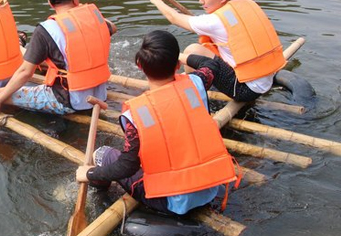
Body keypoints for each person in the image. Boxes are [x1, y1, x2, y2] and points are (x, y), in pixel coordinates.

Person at [76, 30, 239, 215]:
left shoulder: (136, 113)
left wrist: (89, 174)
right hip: (210, 186)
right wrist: (182, 57)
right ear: (178, 65)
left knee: (103, 154)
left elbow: (126, 166)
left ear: (139, 66)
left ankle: (101, 196)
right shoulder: (196, 83)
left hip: (173, 201)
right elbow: (211, 64)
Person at [149, 0, 286, 102]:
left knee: (188, 52)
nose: (200, 1)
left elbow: (174, 18)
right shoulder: (245, 5)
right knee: (195, 50)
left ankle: (195, 94)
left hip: (245, 89)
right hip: (264, 78)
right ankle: (201, 83)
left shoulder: (215, 21)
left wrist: (156, 1)